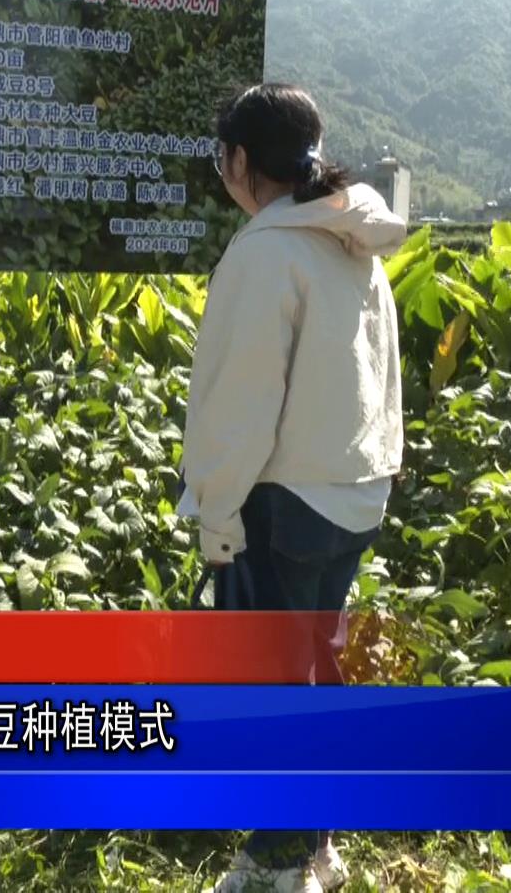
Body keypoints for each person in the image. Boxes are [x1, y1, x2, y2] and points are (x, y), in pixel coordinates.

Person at [181, 84, 405, 893]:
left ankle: (276, 863)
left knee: (272, 685)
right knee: (314, 666)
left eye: (222, 159)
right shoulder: (352, 242)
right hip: (352, 488)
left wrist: (215, 510)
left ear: (241, 161)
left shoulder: (266, 249)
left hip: (278, 501)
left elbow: (240, 403)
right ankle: (314, 842)